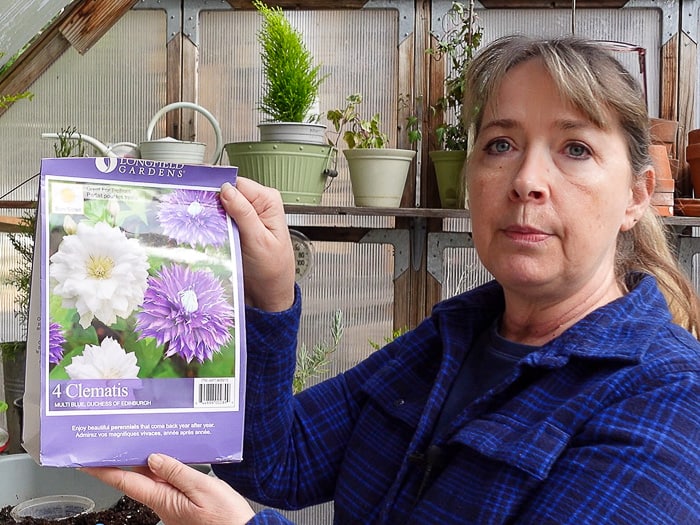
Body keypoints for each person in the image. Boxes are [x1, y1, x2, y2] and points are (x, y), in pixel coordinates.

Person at [84, 35, 700, 524]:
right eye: (501, 143)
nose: (526, 180)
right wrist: (269, 298)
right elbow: (279, 462)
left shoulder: (668, 402)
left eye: (575, 149)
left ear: (637, 196)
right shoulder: (449, 340)